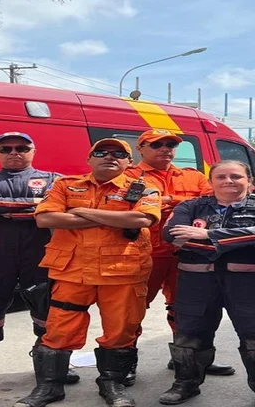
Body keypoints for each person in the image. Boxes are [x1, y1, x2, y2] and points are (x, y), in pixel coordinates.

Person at [14, 138, 160, 407]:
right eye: (101, 152)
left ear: (129, 162)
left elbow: (141, 220)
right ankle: (49, 387)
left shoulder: (144, 190)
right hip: (72, 271)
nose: (110, 156)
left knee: (121, 332)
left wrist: (80, 211)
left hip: (123, 273)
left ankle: (112, 385)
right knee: (58, 332)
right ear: (89, 159)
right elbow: (45, 218)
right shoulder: (64, 184)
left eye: (119, 153)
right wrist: (112, 217)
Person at [0, 132, 79, 385]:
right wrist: (34, 205)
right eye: (6, 148)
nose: (14, 152)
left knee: (48, 308)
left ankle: (49, 360)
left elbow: (57, 206)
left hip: (42, 253)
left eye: (21, 147)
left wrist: (7, 207)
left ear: (33, 151)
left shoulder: (54, 180)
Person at [159, 160, 255, 407]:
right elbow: (172, 235)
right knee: (189, 335)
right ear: (211, 182)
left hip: (252, 284)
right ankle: (185, 384)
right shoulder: (191, 206)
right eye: (221, 177)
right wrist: (243, 240)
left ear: (249, 181)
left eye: (236, 176)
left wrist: (207, 235)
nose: (228, 181)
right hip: (196, 282)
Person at [123, 129, 234, 385]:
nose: (165, 149)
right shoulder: (127, 176)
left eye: (171, 144)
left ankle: (188, 357)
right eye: (157, 144)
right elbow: (126, 207)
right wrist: (183, 202)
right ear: (141, 148)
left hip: (188, 252)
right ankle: (126, 362)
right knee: (132, 309)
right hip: (143, 252)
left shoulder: (192, 176)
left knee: (188, 308)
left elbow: (213, 202)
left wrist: (163, 202)